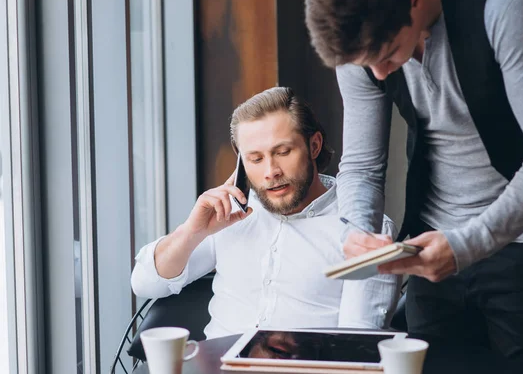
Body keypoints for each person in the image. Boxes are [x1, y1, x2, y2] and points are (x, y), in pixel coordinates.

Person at [304, 0, 523, 374]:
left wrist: (465, 244)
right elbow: (362, 165)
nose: (378, 74)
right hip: (433, 256)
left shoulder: (505, 5)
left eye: (389, 54)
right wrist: (357, 229)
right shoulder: (361, 43)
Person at [131, 87, 400, 340]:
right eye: (256, 159)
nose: (271, 171)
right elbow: (145, 284)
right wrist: (193, 232)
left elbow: (358, 344)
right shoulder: (230, 214)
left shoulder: (363, 230)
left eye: (283, 152)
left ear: (314, 146)